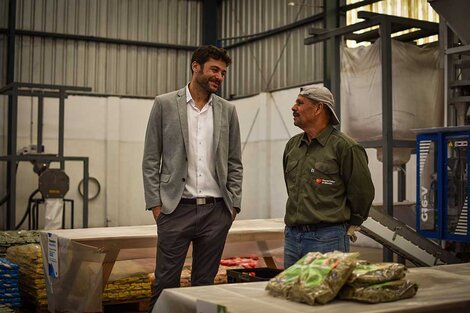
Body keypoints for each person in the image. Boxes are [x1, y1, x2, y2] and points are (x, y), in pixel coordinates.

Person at [142, 45, 243, 312]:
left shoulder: (227, 111)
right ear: (195, 66)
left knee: (205, 285)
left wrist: (233, 206)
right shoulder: (164, 104)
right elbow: (151, 158)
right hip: (175, 210)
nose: (219, 77)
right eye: (214, 69)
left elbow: (235, 162)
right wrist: (156, 205)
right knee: (164, 283)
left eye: (223, 72)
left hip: (216, 211)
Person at [282, 85, 374, 268]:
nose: (293, 108)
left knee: (326, 293)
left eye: (300, 103)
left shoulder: (345, 147)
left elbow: (363, 193)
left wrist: (351, 224)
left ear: (318, 108)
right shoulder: (293, 146)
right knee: (292, 293)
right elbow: (292, 188)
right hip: (292, 237)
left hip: (328, 239)